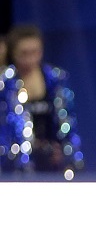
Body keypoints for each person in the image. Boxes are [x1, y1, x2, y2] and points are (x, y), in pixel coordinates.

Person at [0, 24, 85, 177]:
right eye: (24, 53)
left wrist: (67, 153)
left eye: (35, 52)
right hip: (16, 165)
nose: (30, 59)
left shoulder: (56, 79)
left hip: (54, 160)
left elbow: (67, 122)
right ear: (13, 53)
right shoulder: (5, 84)